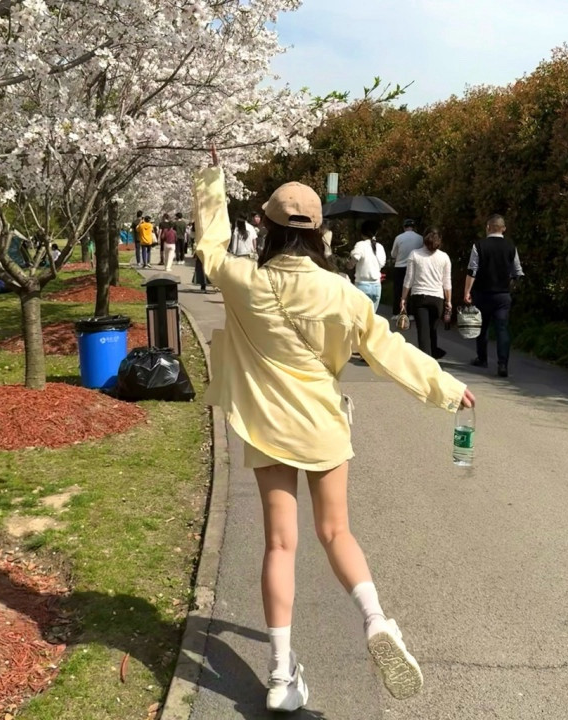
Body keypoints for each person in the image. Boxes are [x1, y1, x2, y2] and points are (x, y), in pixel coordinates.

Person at [194, 148, 475, 712]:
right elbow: (389, 350)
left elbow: (210, 245)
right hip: (322, 424)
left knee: (280, 543)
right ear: (319, 233)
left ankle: (280, 676)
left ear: (267, 227)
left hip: (266, 426)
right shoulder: (342, 293)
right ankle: (375, 620)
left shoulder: (243, 279)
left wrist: (211, 179)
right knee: (336, 533)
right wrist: (445, 388)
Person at [464, 214, 524, 378]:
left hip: (482, 293)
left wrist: (467, 291)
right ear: (503, 228)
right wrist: (511, 286)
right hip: (502, 295)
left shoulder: (479, 245)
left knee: (482, 328)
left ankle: (482, 358)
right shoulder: (511, 246)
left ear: (488, 227)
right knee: (502, 329)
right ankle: (502, 364)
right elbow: (517, 271)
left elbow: (472, 270)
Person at [399, 228, 452, 359]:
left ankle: (426, 361)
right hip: (437, 299)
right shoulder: (444, 257)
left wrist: (403, 298)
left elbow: (408, 279)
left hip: (419, 298)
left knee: (423, 332)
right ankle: (433, 356)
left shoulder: (414, 254)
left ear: (424, 239)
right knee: (432, 330)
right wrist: (448, 301)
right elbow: (447, 282)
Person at [347, 220, 386, 312]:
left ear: (362, 233)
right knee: (372, 316)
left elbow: (355, 258)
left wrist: (349, 264)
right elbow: (382, 263)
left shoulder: (360, 245)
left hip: (362, 285)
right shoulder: (380, 247)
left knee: (360, 316)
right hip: (376, 286)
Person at [390, 219, 423, 319]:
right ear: (414, 227)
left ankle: (397, 313)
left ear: (404, 227)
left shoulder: (399, 238)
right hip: (415, 267)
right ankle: (412, 313)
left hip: (400, 266)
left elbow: (393, 254)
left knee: (398, 290)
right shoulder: (420, 238)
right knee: (412, 290)